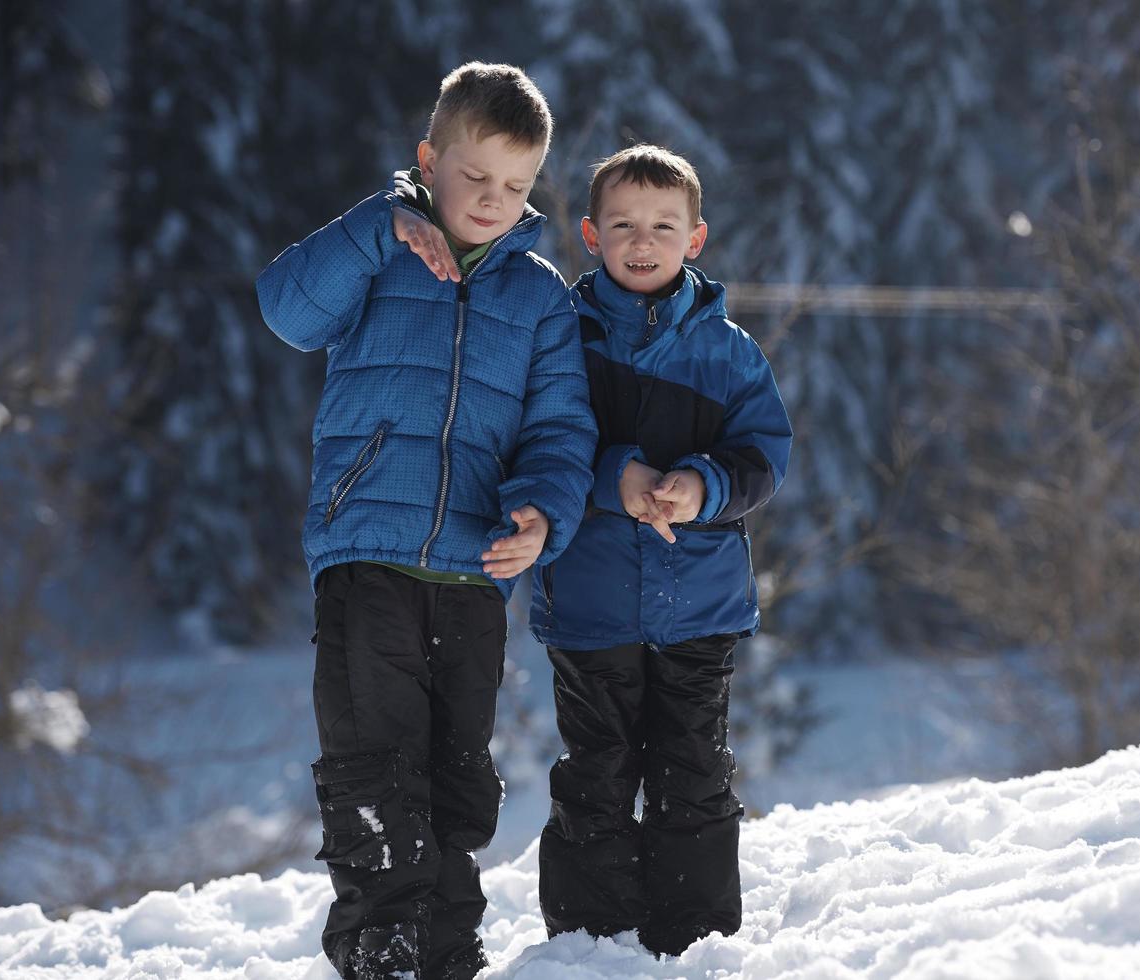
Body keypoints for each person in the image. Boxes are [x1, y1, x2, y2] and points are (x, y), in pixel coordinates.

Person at [254, 62, 594, 980]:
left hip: (473, 571)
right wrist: (376, 227)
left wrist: (543, 513)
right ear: (429, 160)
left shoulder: (539, 297)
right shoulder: (379, 248)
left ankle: (447, 952)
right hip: (367, 552)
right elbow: (286, 309)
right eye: (473, 176)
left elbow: (560, 429)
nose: (491, 200)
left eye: (515, 186)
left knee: (455, 782)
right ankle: (381, 951)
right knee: (375, 765)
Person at [528, 144, 793, 956]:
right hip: (590, 601)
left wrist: (703, 486)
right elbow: (535, 449)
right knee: (598, 767)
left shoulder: (728, 353)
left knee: (691, 768)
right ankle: (590, 939)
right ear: (589, 234)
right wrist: (620, 478)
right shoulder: (558, 339)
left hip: (698, 604)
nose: (642, 240)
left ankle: (693, 935)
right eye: (623, 225)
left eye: (662, 226)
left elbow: (764, 460)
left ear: (696, 238)